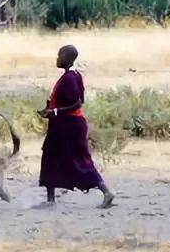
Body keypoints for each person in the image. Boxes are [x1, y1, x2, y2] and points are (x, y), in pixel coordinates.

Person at [36, 45, 115, 209]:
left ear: (67, 58)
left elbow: (77, 103)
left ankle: (106, 191)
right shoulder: (73, 75)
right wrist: (50, 109)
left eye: (59, 56)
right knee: (51, 158)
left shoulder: (70, 78)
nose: (57, 59)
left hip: (69, 125)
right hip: (64, 125)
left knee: (79, 160)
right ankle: (51, 200)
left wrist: (55, 111)